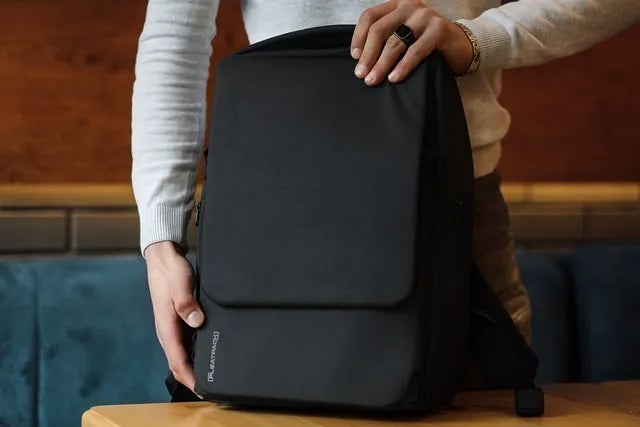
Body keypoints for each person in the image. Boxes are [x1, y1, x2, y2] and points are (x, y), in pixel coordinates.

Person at [132, 0, 639, 394]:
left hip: (457, 219)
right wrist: (160, 241)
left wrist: (476, 38)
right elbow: (174, 42)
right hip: (277, 224)